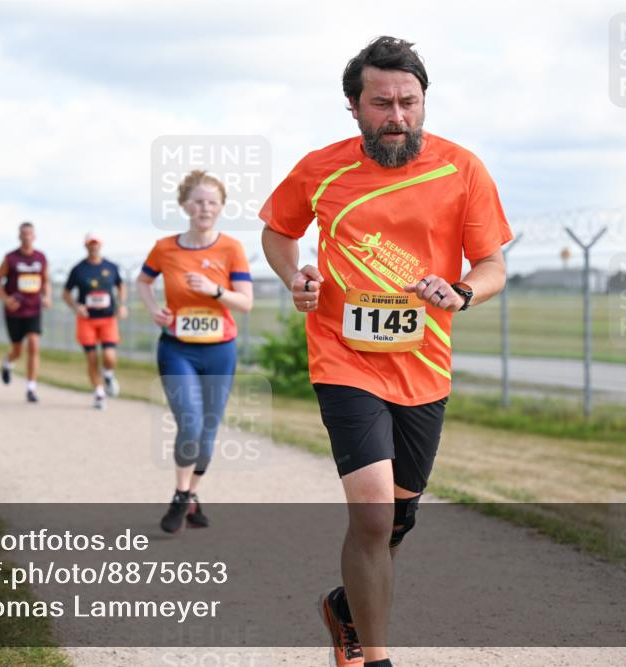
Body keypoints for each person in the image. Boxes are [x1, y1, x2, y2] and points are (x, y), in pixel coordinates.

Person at [259, 36, 512, 667]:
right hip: (344, 355)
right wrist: (297, 276)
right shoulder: (323, 168)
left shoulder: (464, 169)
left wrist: (460, 291)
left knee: (395, 524)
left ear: (424, 100)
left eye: (408, 101)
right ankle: (376, 658)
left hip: (423, 366)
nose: (397, 116)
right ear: (354, 106)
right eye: (381, 103)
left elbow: (491, 264)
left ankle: (346, 608)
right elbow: (277, 231)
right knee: (372, 512)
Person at [136, 170, 254, 534]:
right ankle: (181, 495)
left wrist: (214, 290)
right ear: (185, 205)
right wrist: (154, 309)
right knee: (189, 423)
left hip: (220, 351)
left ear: (221, 207)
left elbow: (245, 303)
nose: (205, 208)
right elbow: (143, 281)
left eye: (213, 202)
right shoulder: (164, 247)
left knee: (206, 433)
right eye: (199, 201)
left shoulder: (231, 248)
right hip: (177, 349)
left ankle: (191, 495)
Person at [63, 232, 127, 410]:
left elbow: (121, 286)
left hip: (107, 319)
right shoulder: (78, 269)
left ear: (101, 245)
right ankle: (99, 393)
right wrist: (76, 307)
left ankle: (108, 374)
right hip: (86, 320)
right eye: (90, 243)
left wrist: (121, 305)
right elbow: (66, 293)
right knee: (92, 358)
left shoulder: (111, 267)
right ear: (86, 245)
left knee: (109, 356)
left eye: (96, 243)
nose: (93, 246)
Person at [0, 221, 51, 403]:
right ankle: (8, 362)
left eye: (30, 233)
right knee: (18, 349)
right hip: (15, 311)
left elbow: (46, 280)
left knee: (34, 344)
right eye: (23, 233)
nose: (27, 236)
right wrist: (6, 299)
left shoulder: (41, 257)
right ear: (19, 236)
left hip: (33, 309)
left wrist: (47, 296)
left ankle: (31, 388)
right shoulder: (10, 258)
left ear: (34, 236)